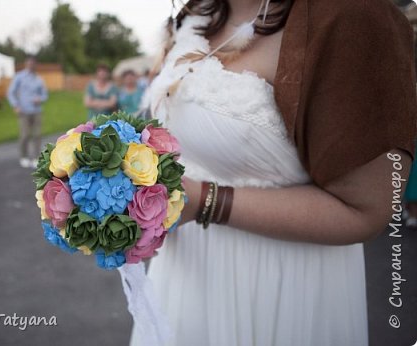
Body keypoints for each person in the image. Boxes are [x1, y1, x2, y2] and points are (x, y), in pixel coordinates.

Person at [130, 0, 416, 345]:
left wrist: (204, 202)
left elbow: (367, 210)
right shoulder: (198, 12)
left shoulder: (351, 16)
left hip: (281, 286)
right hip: (184, 278)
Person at [7, 55, 48, 168]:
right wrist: (15, 105)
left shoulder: (39, 79)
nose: (31, 65)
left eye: (33, 63)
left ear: (35, 64)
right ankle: (24, 156)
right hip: (23, 111)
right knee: (25, 135)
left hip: (37, 111)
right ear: (26, 63)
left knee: (37, 135)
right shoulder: (19, 77)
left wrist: (40, 99)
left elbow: (45, 95)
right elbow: (11, 93)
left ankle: (35, 158)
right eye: (29, 63)